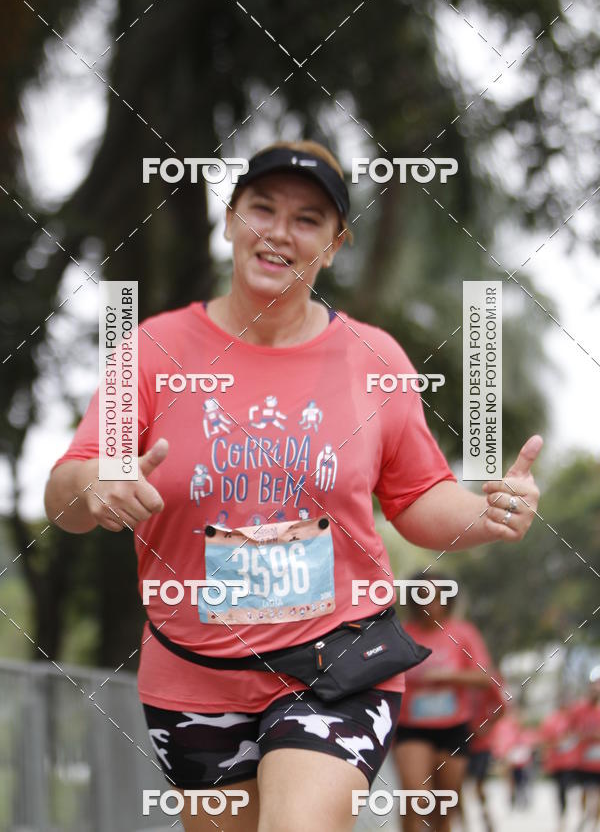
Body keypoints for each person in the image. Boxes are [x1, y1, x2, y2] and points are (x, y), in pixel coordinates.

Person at [43, 139, 543, 832]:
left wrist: (484, 511)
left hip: (337, 662)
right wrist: (90, 485)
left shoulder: (374, 359)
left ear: (335, 245)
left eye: (308, 219)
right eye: (263, 208)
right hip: (193, 674)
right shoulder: (153, 350)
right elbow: (64, 494)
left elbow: (417, 498)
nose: (279, 231)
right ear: (229, 219)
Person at [392, 573, 499, 832]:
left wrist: (446, 676)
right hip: (411, 728)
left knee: (444, 807)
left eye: (435, 596)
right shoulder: (401, 632)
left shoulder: (463, 633)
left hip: (453, 728)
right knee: (415, 798)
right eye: (422, 595)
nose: (429, 603)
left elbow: (486, 678)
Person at [465, 670, 507, 832]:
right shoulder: (459, 677)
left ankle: (486, 816)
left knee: (479, 785)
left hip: (481, 744)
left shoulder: (488, 681)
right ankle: (464, 825)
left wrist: (487, 726)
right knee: (454, 784)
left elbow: (502, 707)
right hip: (460, 740)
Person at [539, 696, 580, 828]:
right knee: (560, 790)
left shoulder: (572, 718)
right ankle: (562, 816)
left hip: (570, 762)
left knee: (567, 787)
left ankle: (567, 814)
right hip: (556, 762)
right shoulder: (551, 720)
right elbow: (545, 741)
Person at [572, 667, 600, 827]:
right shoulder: (579, 709)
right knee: (584, 791)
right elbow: (572, 730)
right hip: (584, 759)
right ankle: (584, 817)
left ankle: (594, 825)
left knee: (597, 794)